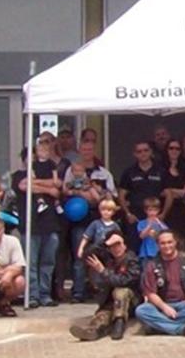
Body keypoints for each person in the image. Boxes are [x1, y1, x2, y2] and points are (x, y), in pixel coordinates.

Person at [62, 147, 115, 301]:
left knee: (103, 256)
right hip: (79, 221)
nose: (87, 152)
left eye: (90, 148)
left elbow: (109, 195)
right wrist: (77, 193)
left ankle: (103, 291)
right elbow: (65, 190)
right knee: (80, 257)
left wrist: (94, 191)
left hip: (99, 221)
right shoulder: (70, 173)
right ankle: (78, 292)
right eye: (84, 149)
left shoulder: (102, 174)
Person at [70, 228, 141, 342]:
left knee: (120, 291)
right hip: (109, 302)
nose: (116, 248)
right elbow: (86, 255)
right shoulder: (107, 258)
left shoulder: (132, 260)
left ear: (124, 245)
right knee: (102, 317)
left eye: (118, 244)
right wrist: (104, 242)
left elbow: (123, 281)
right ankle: (94, 332)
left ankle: (119, 324)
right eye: (112, 246)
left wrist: (103, 271)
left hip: (129, 303)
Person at [22, 133, 66, 308]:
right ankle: (32, 295)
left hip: (51, 225)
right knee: (31, 263)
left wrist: (43, 185)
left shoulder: (51, 165)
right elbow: (25, 185)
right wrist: (48, 190)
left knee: (48, 263)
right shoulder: (18, 175)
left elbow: (58, 184)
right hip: (31, 226)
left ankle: (45, 294)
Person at [135, 229, 185, 336]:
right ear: (157, 245)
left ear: (175, 242)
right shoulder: (152, 264)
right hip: (161, 305)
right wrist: (164, 307)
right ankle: (180, 329)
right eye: (162, 243)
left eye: (169, 242)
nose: (167, 246)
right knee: (141, 310)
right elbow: (150, 293)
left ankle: (158, 327)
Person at [117, 140, 166, 227]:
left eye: (146, 150)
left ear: (151, 151)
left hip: (155, 217)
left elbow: (169, 194)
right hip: (136, 217)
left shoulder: (161, 171)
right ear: (135, 154)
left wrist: (163, 214)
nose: (143, 153)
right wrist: (128, 214)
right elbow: (121, 196)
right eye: (139, 151)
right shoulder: (129, 172)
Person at [159, 136, 185, 234]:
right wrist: (173, 192)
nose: (174, 151)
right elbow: (161, 191)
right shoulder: (160, 167)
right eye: (171, 148)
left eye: (177, 148)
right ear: (166, 150)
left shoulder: (184, 167)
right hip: (164, 209)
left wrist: (172, 191)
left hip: (181, 209)